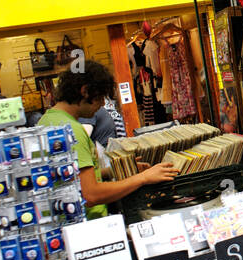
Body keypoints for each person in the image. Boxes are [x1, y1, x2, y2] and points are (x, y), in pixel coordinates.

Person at [39, 60, 176, 219]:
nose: (103, 103)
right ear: (85, 91)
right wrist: (143, 178)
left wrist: (115, 170)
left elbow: (72, 178)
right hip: (91, 225)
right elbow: (91, 194)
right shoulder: (73, 131)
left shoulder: (48, 120)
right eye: (100, 97)